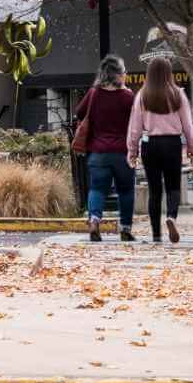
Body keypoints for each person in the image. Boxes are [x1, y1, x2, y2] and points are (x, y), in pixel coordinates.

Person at [127, 55, 193, 244]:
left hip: (150, 144)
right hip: (172, 143)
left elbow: (134, 128)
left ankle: (156, 234)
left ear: (149, 73)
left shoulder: (142, 96)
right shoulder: (178, 94)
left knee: (154, 190)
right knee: (173, 185)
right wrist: (191, 146)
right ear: (169, 73)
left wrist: (132, 151)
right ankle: (171, 217)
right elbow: (188, 125)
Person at [74, 54, 137, 242]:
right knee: (126, 190)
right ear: (119, 74)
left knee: (97, 189)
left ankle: (94, 220)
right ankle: (125, 229)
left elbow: (79, 112)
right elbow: (137, 121)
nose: (125, 75)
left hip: (98, 152)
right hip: (122, 153)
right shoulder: (128, 96)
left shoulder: (94, 93)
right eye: (124, 72)